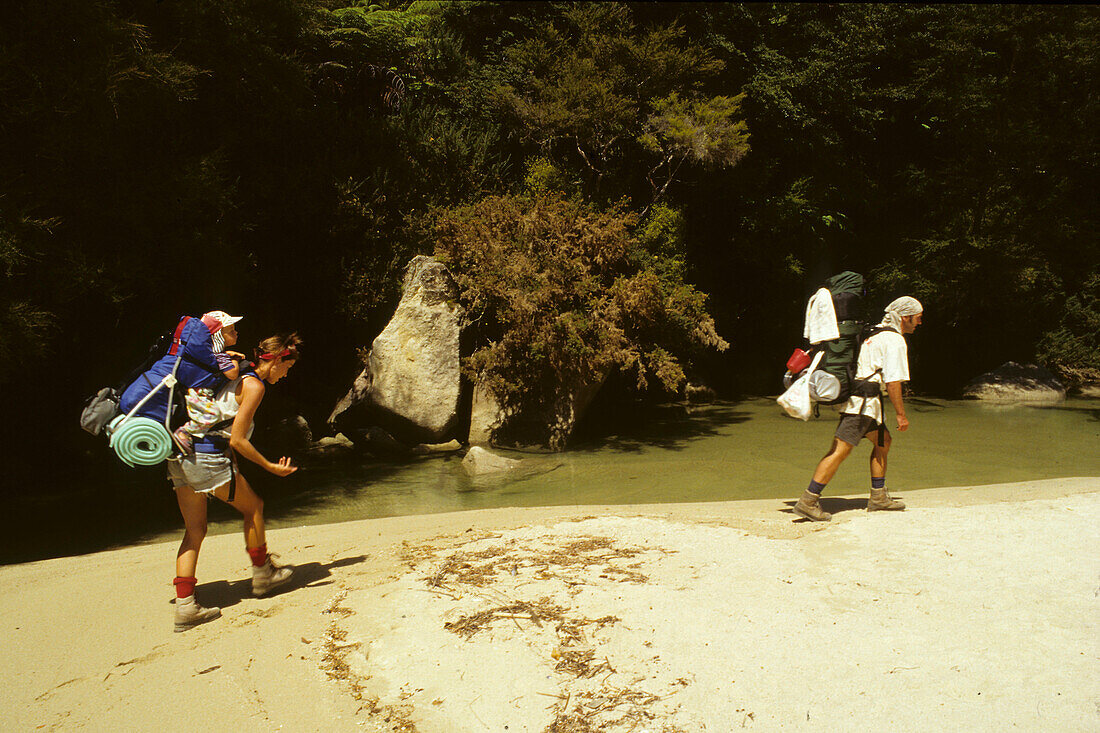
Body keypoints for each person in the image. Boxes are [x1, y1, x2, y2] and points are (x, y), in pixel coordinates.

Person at [169, 333, 302, 631]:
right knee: (254, 507)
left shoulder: (233, 372)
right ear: (278, 360)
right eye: (288, 367)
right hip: (206, 458)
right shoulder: (253, 386)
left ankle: (185, 607)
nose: (286, 374)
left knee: (195, 530)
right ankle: (263, 575)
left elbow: (219, 425)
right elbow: (238, 440)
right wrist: (269, 466)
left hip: (179, 453)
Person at [793, 297, 924, 522]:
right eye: (918, 318)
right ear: (905, 317)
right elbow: (894, 382)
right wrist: (901, 415)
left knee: (883, 441)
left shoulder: (874, 334)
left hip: (864, 400)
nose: (920, 322)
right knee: (840, 450)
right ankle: (808, 501)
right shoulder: (894, 341)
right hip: (864, 403)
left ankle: (878, 497)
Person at [173, 310, 246, 454]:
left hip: (198, 391)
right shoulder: (220, 355)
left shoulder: (215, 353)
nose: (236, 333)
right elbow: (232, 374)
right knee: (212, 415)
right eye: (231, 331)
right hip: (200, 393)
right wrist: (235, 360)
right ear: (218, 336)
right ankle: (184, 432)